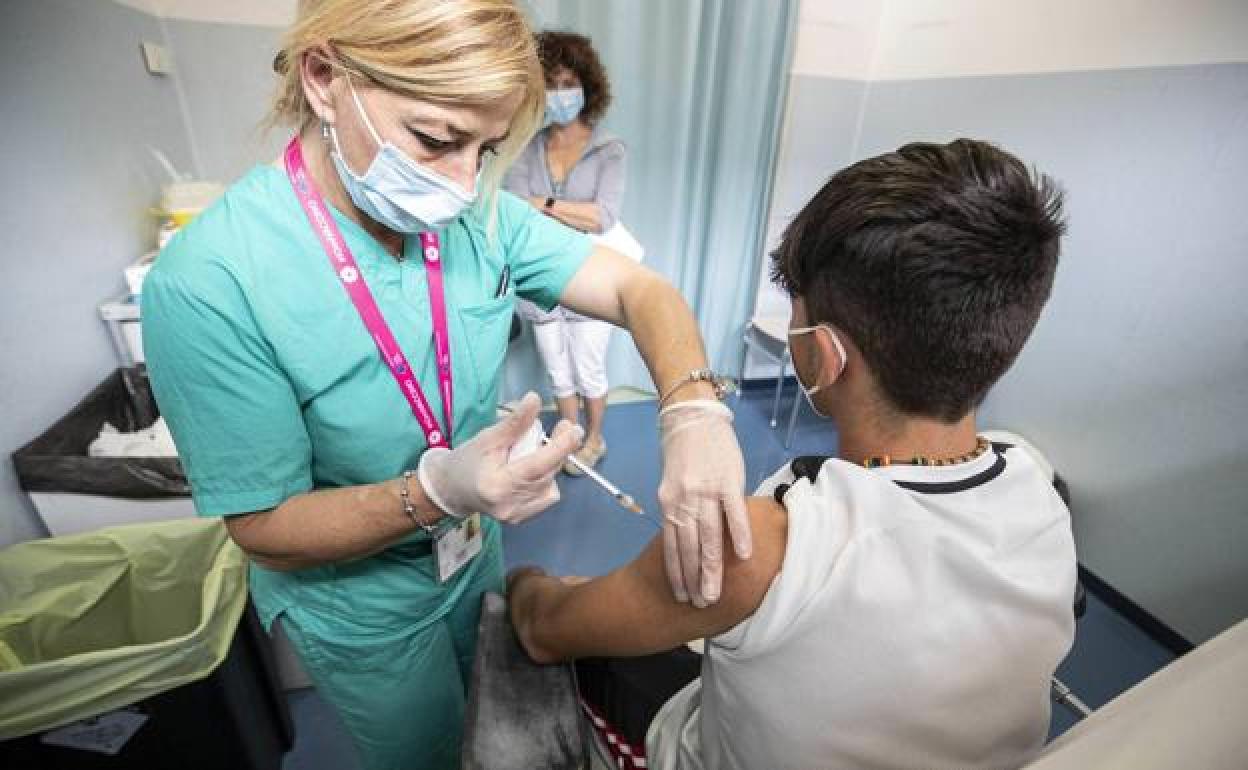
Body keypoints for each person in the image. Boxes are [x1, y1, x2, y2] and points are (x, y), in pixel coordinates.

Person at [139, 2, 750, 768]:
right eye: (436, 139)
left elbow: (641, 293)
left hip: (471, 557)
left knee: (495, 715)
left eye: (488, 149)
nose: (465, 185)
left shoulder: (479, 217)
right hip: (364, 609)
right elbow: (261, 525)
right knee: (428, 753)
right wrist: (437, 490)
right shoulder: (211, 283)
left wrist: (692, 411)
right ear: (326, 78)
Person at [508, 139, 1078, 770]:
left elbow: (543, 628)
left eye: (795, 309)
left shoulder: (764, 547)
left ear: (825, 354)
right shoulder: (1040, 496)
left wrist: (530, 583)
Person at [504, 30, 627, 474]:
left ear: (586, 86)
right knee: (558, 370)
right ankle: (570, 437)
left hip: (590, 275)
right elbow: (515, 207)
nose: (559, 94)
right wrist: (566, 212)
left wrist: (546, 205)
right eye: (550, 84)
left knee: (589, 368)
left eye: (567, 83)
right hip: (540, 278)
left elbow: (603, 217)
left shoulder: (608, 150)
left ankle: (595, 438)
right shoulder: (527, 146)